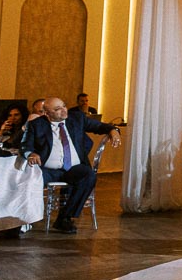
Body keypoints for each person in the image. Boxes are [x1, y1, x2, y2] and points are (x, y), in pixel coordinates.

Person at [20, 97, 121, 234]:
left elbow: (99, 126)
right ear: (46, 113)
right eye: (57, 109)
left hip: (74, 168)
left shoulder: (77, 118)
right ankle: (24, 219)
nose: (63, 111)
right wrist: (31, 154)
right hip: (49, 170)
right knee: (28, 179)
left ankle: (65, 218)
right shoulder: (36, 124)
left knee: (88, 175)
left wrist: (113, 130)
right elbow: (26, 146)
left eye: (64, 106)